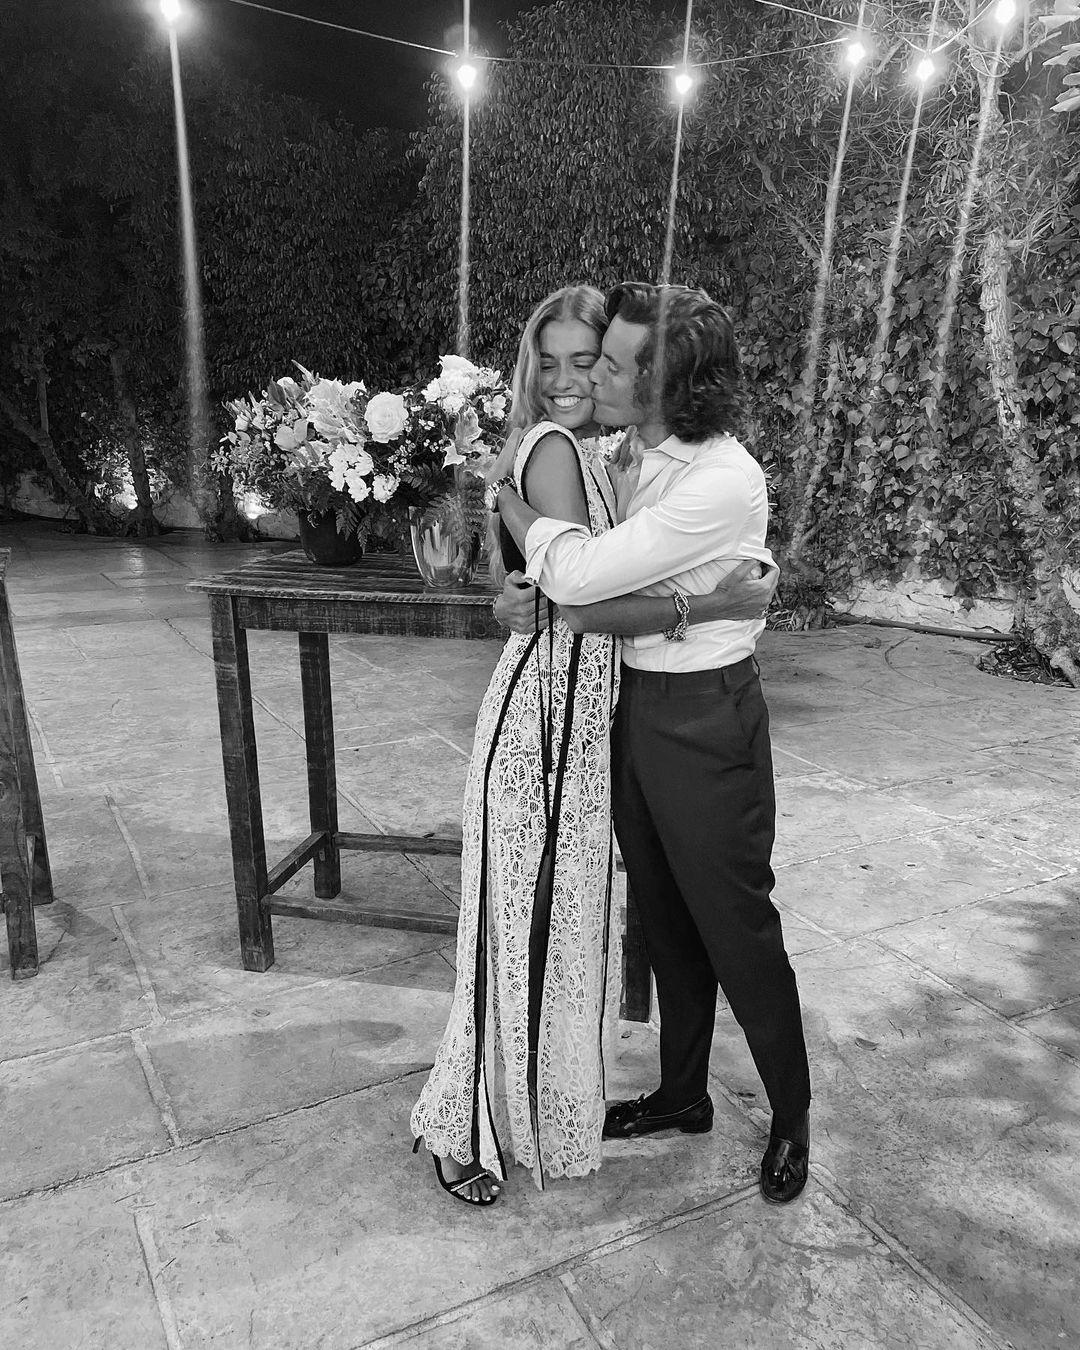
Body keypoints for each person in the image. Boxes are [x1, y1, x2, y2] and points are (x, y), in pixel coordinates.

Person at [410, 284, 776, 1206]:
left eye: (592, 361)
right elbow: (575, 597)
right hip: (539, 725)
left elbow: (537, 584)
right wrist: (713, 603)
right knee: (511, 928)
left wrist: (509, 570)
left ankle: (533, 1108)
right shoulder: (550, 450)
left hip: (585, 726)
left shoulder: (607, 455)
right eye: (554, 362)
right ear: (529, 368)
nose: (573, 378)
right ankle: (460, 1129)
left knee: (556, 933)